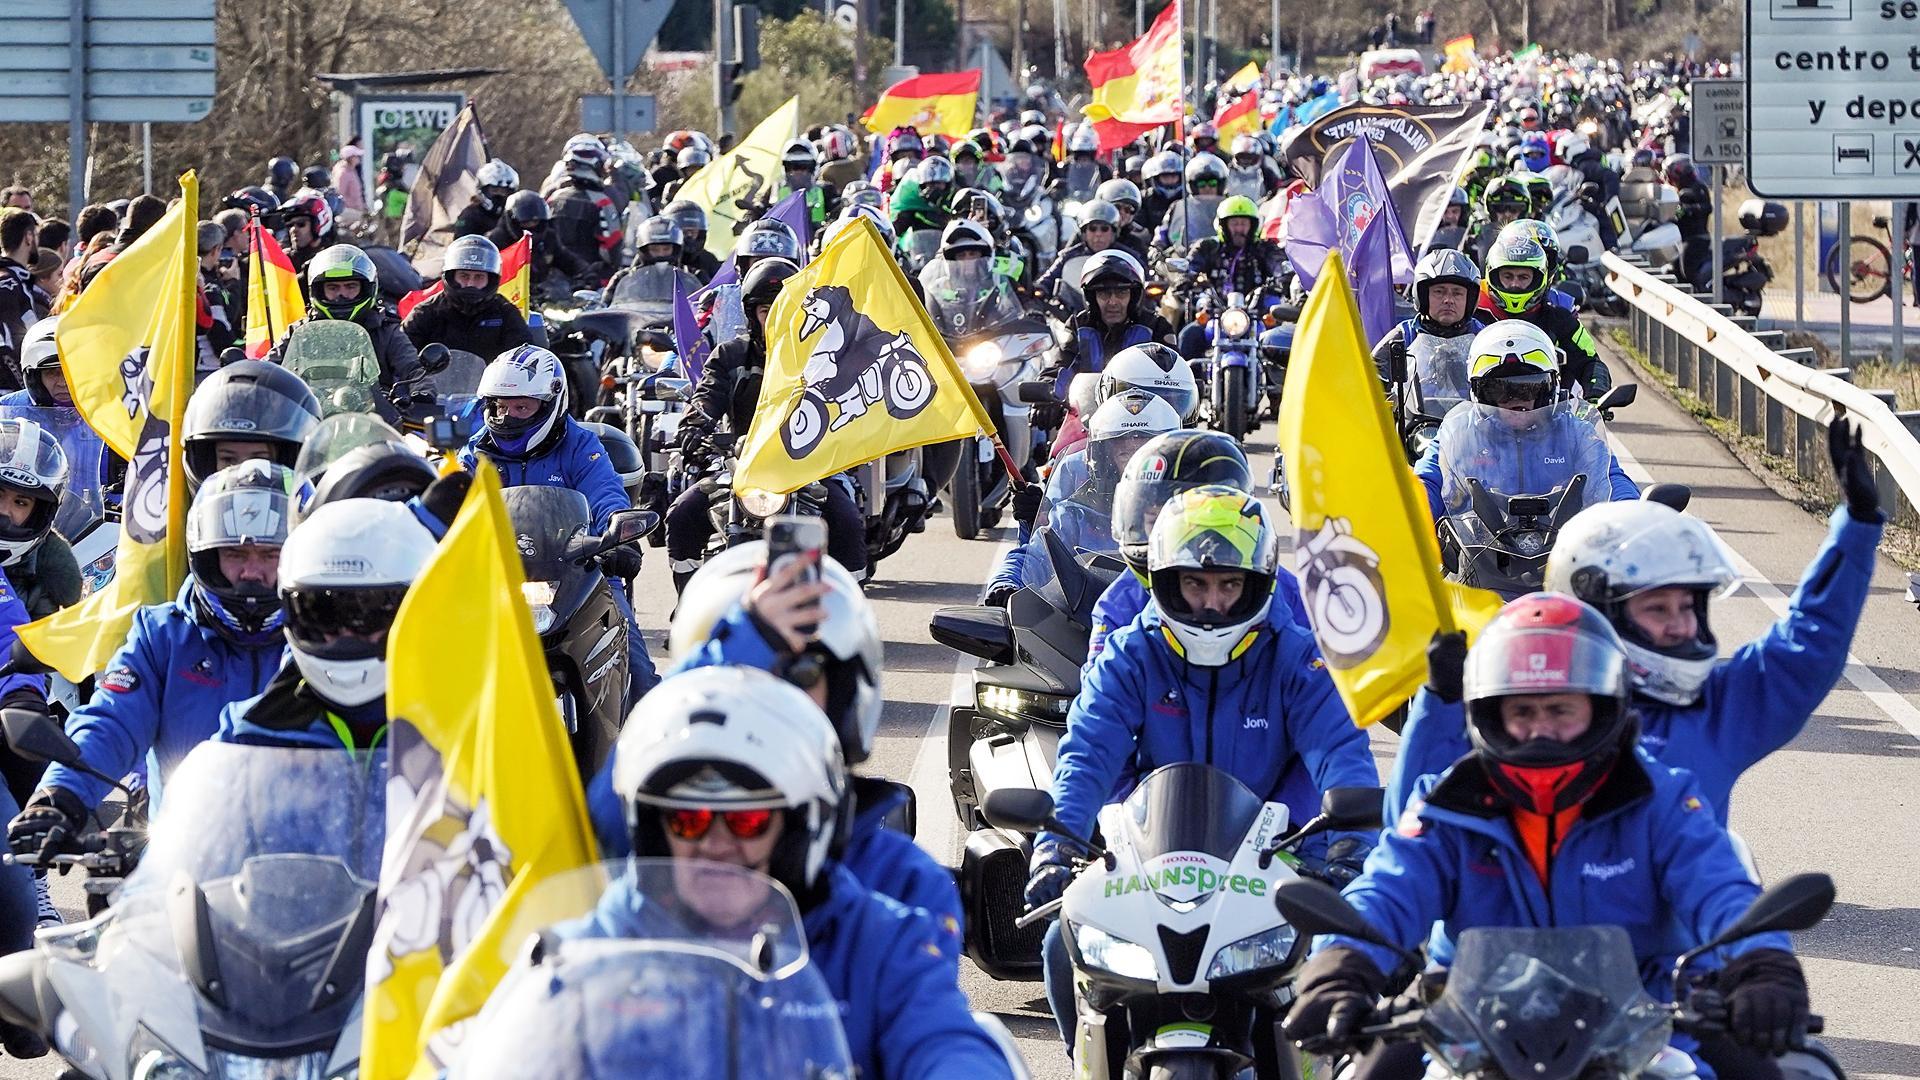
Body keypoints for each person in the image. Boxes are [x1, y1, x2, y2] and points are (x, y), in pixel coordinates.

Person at [1282, 594, 1814, 1080]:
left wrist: (1762, 966)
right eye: (1522, 712)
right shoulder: (1445, 803)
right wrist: (1339, 967)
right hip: (1464, 1028)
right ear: (1489, 714)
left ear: (1603, 709)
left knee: (1781, 1072)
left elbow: (1720, 890)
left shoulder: (1660, 798)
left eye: (1560, 710)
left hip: (1647, 1027)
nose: (1540, 730)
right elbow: (1387, 892)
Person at [1390, 420, 1883, 825]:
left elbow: (1806, 647)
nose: (1679, 627)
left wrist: (1855, 531)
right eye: (1657, 609)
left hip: (1671, 945)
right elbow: (1409, 828)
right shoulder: (1519, 709)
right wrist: (1439, 704)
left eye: (1688, 608)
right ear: (1600, 611)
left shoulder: (1712, 711)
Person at [1030, 486, 1378, 1048]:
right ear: (1165, 580)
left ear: (1258, 583)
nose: (1211, 603)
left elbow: (1342, 755)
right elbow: (1088, 753)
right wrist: (1056, 844)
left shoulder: (1299, 658)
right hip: (1149, 854)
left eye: (1228, 584)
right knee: (1058, 945)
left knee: (1339, 960)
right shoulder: (1129, 653)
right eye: (1194, 583)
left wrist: (1349, 849)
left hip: (1282, 854)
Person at [552, 668, 1018, 1080]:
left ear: (797, 830)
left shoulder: (876, 941)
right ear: (654, 832)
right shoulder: (603, 944)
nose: (715, 845)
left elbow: (942, 1039)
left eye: (745, 821)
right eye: (687, 821)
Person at [652, 542, 963, 961]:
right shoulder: (657, 846)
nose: (769, 696)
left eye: (800, 673)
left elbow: (926, 1012)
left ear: (844, 692)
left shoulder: (902, 883)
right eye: (739, 672)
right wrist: (745, 639)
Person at [6, 463, 303, 848]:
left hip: (311, 863)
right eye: (234, 553)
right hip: (182, 865)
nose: (251, 572)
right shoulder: (162, 635)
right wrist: (59, 798)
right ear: (207, 555)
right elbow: (112, 721)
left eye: (270, 555)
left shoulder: (326, 639)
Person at [459, 345, 658, 692]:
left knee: (638, 677)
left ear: (552, 403)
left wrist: (617, 536)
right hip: (493, 579)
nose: (508, 417)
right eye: (501, 406)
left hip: (579, 573)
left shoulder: (581, 447)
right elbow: (450, 503)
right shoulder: (474, 454)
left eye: (522, 407)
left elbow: (606, 494)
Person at [667, 259, 868, 590]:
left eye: (783, 309)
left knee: (847, 520)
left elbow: (850, 400)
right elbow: (707, 396)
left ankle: (852, 612)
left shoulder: (824, 357)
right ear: (751, 315)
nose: (774, 318)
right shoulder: (731, 356)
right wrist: (694, 425)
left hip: (810, 467)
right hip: (741, 467)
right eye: (766, 311)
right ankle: (688, 605)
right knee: (682, 514)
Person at [213, 498, 437, 749]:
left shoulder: (464, 722)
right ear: (289, 611)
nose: (345, 635)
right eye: (321, 614)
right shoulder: (250, 730)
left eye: (366, 616)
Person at [1410, 320, 1637, 523]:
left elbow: (1610, 479)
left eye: (1529, 388)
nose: (1516, 401)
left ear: (1550, 389)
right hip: (1476, 561)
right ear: (1479, 392)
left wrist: (1630, 516)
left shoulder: (1577, 433)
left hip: (1564, 557)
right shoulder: (1458, 433)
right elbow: (1428, 481)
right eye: (1500, 389)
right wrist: (1412, 515)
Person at [986, 390, 1181, 605]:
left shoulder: (1188, 513)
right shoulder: (1075, 514)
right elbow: (1034, 558)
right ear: (1101, 456)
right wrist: (1006, 584)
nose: (1134, 454)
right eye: (1124, 448)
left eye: (1145, 447)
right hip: (1084, 625)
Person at [270, 245, 434, 419]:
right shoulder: (299, 332)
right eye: (333, 288)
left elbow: (414, 368)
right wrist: (249, 378)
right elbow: (267, 367)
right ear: (318, 290)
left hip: (372, 421)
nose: (342, 295)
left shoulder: (386, 331)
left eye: (350, 287)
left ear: (366, 289)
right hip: (307, 419)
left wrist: (422, 393)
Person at [1476, 231, 1611, 398]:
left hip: (1550, 413)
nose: (1515, 284)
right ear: (1493, 275)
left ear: (1540, 278)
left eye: (1523, 277)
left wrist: (1596, 394)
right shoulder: (1474, 313)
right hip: (1481, 412)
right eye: (1507, 276)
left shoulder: (1561, 318)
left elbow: (1590, 362)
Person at [1039, 250, 1174, 404]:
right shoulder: (1078, 326)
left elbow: (1174, 375)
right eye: (1104, 293)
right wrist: (1047, 393)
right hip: (1089, 419)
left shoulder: (1156, 327)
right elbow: (1060, 366)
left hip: (1147, 418)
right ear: (1091, 298)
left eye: (1121, 292)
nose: (1113, 301)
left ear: (1134, 296)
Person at [1175, 193, 1286, 359]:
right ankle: (1188, 382)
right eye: (1234, 223)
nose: (1239, 229)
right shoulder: (1208, 246)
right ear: (1223, 226)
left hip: (1257, 311)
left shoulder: (1265, 248)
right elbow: (1192, 265)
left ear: (1253, 226)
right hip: (1215, 310)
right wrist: (1186, 278)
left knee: (1282, 339)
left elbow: (1278, 263)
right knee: (1188, 336)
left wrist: (1284, 276)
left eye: (1243, 224)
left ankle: (1281, 383)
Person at [402, 234, 534, 359]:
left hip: (491, 383)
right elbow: (401, 355)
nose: (470, 283)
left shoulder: (505, 313)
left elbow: (523, 358)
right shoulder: (426, 312)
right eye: (464, 276)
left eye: (479, 277)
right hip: (433, 382)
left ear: (491, 280)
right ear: (451, 277)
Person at [1371, 248, 1486, 384]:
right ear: (1423, 296)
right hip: (1413, 406)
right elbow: (1370, 383)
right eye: (1439, 291)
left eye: (1457, 293)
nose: (1448, 300)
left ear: (1470, 299)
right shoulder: (1402, 337)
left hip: (1472, 406)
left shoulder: (1485, 338)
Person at [548, 134, 621, 284]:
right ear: (592, 165)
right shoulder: (602, 202)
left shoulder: (553, 198)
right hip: (592, 279)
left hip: (555, 278)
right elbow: (612, 249)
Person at [490, 189, 593, 296]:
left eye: (536, 222)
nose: (532, 226)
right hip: (509, 298)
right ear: (513, 221)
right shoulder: (496, 242)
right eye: (526, 223)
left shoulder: (548, 237)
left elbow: (567, 260)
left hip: (543, 297)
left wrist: (587, 273)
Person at [1035, 201, 1123, 302]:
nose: (1098, 234)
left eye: (1104, 229)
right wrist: (1040, 288)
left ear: (1113, 233)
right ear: (1084, 233)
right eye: (1093, 229)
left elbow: (1142, 278)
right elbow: (1048, 279)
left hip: (1116, 311)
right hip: (1073, 312)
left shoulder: (1126, 256)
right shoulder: (1068, 256)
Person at [0, 209, 47, 391]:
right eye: (36, 235)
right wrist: (25, 388)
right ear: (28, 237)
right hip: (8, 396)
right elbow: (7, 345)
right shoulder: (9, 283)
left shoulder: (19, 280)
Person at [775, 139, 842, 231]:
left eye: (803, 167)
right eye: (792, 166)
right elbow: (761, 211)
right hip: (782, 241)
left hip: (817, 242)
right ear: (785, 168)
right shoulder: (776, 190)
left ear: (812, 168)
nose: (798, 172)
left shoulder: (826, 190)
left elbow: (837, 211)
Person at [2, 318, 68, 408]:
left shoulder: (95, 410)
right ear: (35, 379)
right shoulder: (9, 407)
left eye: (70, 373)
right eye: (52, 372)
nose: (62, 383)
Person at [453, 158, 521, 239]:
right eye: (495, 190)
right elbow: (461, 246)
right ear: (482, 189)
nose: (500, 195)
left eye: (504, 191)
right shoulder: (469, 215)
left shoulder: (514, 215)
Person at [890, 156, 956, 236]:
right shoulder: (911, 204)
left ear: (948, 184)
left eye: (939, 183)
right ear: (922, 185)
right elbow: (896, 230)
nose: (934, 188)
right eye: (930, 184)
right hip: (919, 246)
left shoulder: (955, 201)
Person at [661, 199, 723, 281]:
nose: (689, 235)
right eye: (684, 232)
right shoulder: (659, 255)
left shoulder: (708, 260)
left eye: (693, 232)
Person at [280, 192, 336, 277]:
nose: (294, 230)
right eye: (290, 225)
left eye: (301, 224)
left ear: (319, 225)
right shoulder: (281, 259)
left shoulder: (332, 260)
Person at [1095, 177, 1151, 258]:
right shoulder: (1088, 230)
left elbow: (1143, 268)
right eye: (1117, 207)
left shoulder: (1138, 239)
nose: (1122, 213)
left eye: (1128, 209)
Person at [1137, 150, 1186, 233]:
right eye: (1165, 176)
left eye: (1174, 176)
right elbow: (1139, 225)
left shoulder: (1186, 197)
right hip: (1150, 243)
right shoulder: (1145, 199)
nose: (1170, 180)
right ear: (1156, 178)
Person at [329, 142, 367, 227]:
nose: (358, 158)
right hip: (347, 211)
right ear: (350, 158)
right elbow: (340, 193)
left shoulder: (351, 171)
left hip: (356, 209)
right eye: (356, 156)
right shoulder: (343, 173)